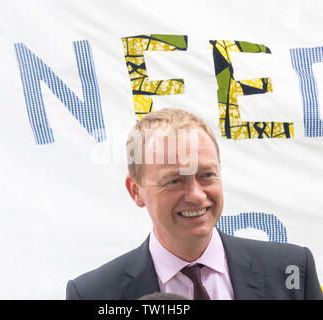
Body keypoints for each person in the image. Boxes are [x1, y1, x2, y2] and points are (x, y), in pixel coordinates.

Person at [66, 108, 322, 300]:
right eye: (175, 180)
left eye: (206, 175)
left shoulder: (293, 270)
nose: (197, 195)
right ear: (136, 191)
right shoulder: (93, 294)